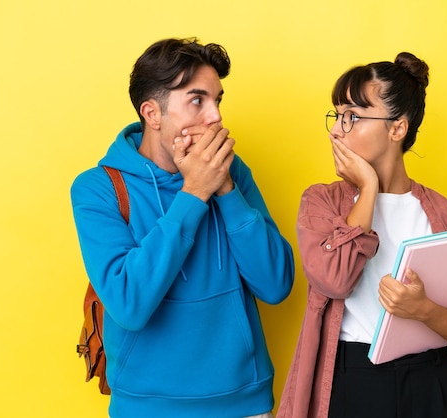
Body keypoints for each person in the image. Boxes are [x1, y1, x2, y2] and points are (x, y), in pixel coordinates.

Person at [71, 37, 294, 418]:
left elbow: (276, 284)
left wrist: (223, 188)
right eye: (197, 100)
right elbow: (129, 303)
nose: (215, 117)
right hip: (148, 407)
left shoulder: (233, 173)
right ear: (153, 114)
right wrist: (194, 193)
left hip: (245, 404)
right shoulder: (98, 189)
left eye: (217, 100)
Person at [278, 52, 447, 418]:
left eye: (352, 117)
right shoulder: (322, 203)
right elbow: (334, 280)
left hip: (436, 382)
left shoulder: (446, 214)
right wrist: (367, 186)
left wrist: (425, 311)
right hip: (354, 380)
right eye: (337, 115)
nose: (336, 129)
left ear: (397, 129)